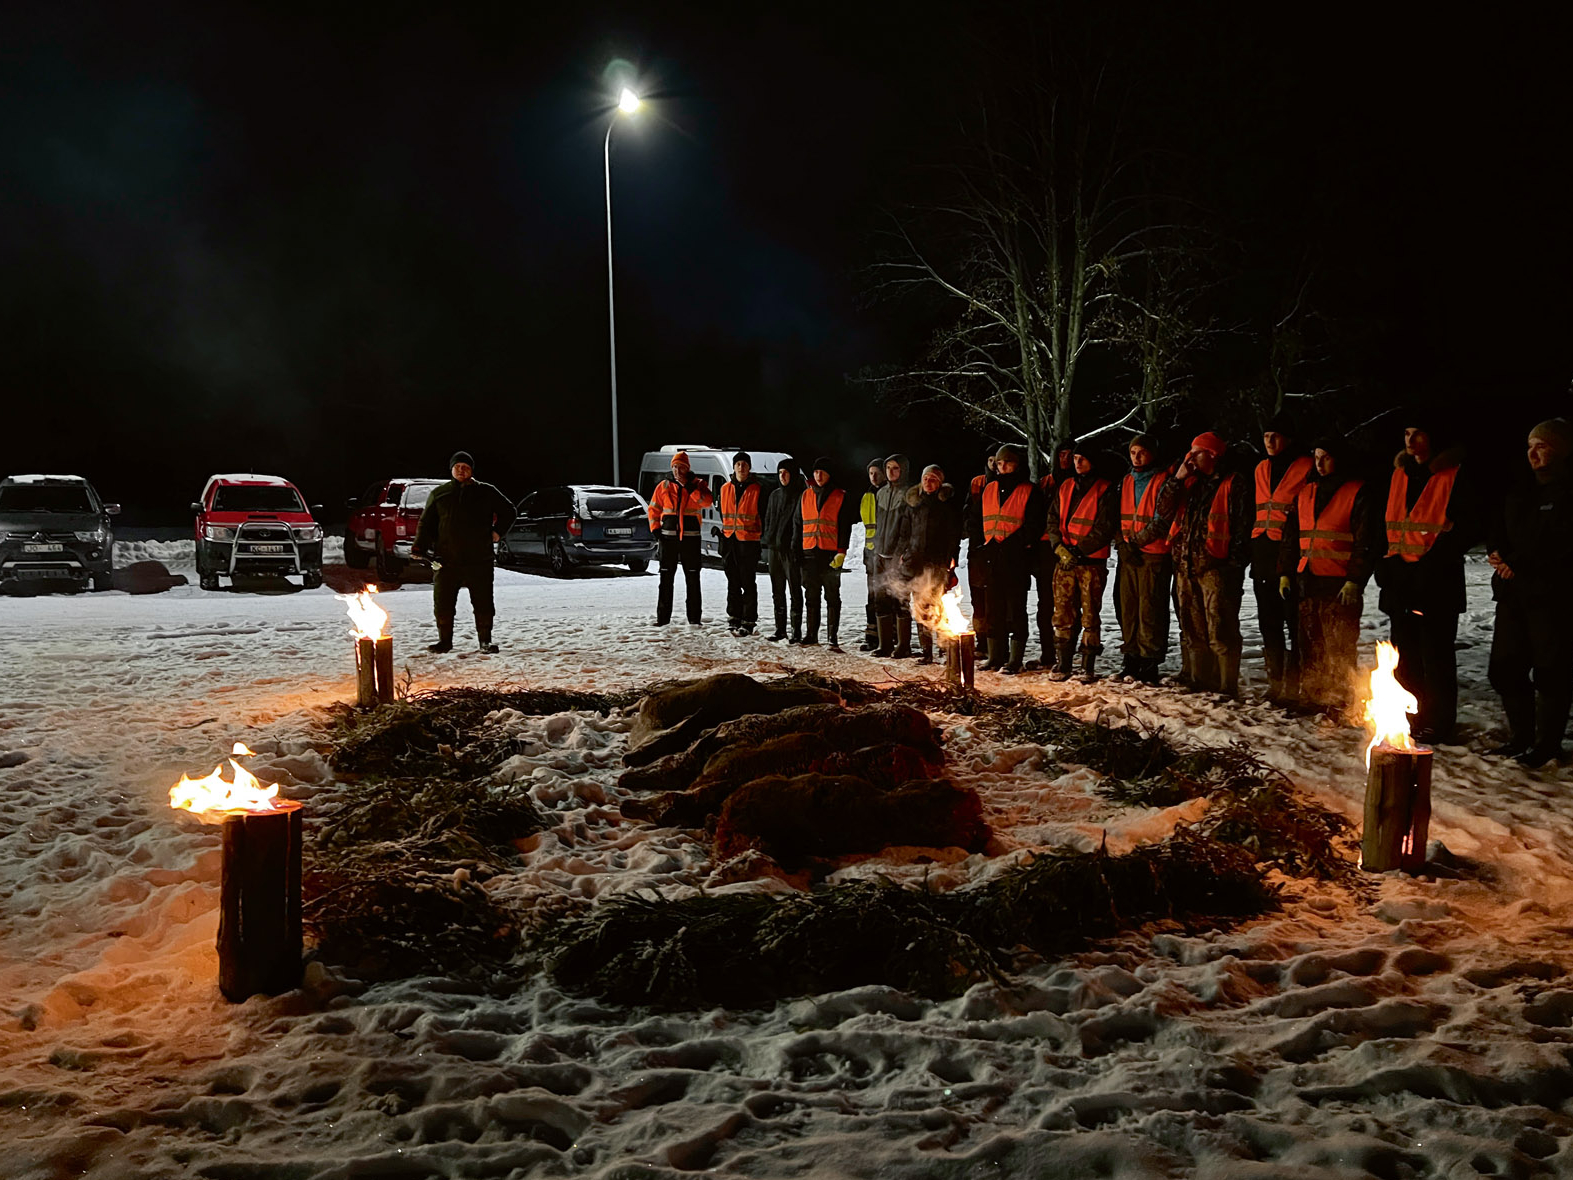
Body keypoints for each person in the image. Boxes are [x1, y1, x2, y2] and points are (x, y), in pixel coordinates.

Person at [1373, 414, 1478, 744]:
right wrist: (1386, 566)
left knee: (1436, 659)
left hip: (1436, 582)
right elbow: (1387, 525)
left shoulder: (1455, 475)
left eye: (1418, 433)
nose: (1411, 439)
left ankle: (1439, 722)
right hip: (1400, 579)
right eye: (1407, 433)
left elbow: (1467, 527)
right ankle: (1410, 717)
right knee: (1405, 659)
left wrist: (1440, 554)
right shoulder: (1399, 474)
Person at [1487, 419, 1573, 767]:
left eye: (1542, 446)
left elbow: (1560, 543)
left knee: (1552, 672)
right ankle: (1520, 735)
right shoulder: (1520, 490)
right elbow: (1499, 528)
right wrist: (1497, 553)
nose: (1533, 453)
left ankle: (1546, 744)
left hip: (1553, 597)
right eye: (1530, 446)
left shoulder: (1567, 493)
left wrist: (1518, 563)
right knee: (1505, 668)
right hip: (1513, 594)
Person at [1277, 437, 1378, 716]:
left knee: (1339, 646)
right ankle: (1311, 696)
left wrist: (1354, 580)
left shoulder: (1358, 492)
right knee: (1309, 643)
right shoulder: (1306, 492)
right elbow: (1291, 537)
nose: (1320, 464)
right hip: (1308, 580)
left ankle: (1340, 702)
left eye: (1326, 458)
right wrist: (1285, 572)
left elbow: (1365, 542)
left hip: (1339, 583)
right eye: (1316, 458)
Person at [1170, 432, 1253, 698]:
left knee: (1221, 627)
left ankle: (1226, 685)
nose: (1191, 458)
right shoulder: (1191, 483)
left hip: (1218, 569)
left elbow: (1242, 526)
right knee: (1192, 627)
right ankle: (1198, 679)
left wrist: (1232, 565)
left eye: (1197, 452)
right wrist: (1177, 480)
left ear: (1213, 454)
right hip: (1186, 566)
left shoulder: (1234, 482)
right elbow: (1163, 509)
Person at [411, 450, 516, 654]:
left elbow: (509, 510)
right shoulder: (440, 494)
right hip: (446, 560)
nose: (461, 470)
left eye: (465, 467)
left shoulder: (486, 491)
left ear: (471, 470)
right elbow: (426, 523)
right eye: (458, 466)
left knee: (483, 602)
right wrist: (419, 546)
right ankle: (444, 641)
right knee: (443, 602)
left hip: (479, 559)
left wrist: (497, 532)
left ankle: (485, 641)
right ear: (451, 469)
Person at [1040, 441, 1118, 680]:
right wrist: (1058, 547)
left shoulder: (1105, 489)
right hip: (1065, 562)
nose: (1077, 463)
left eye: (1082, 459)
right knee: (1062, 612)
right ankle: (1063, 664)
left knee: (1090, 614)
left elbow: (1104, 527)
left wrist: (1076, 552)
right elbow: (1052, 519)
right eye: (1075, 459)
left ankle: (1088, 664)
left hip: (1090, 563)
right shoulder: (1065, 486)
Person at [1251, 415, 1314, 703]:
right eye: (1266, 436)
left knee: (1294, 624)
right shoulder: (1260, 468)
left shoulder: (1306, 467)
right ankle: (1276, 682)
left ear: (1288, 438)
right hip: (1263, 554)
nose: (1270, 442)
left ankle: (1295, 683)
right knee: (1269, 624)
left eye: (1275, 436)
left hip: (1292, 556)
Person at [1114, 433, 1179, 684]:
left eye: (1141, 451)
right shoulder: (1127, 481)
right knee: (1128, 608)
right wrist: (1123, 544)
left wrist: (1135, 543)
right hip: (1130, 554)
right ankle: (1131, 657)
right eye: (1133, 452)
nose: (1137, 457)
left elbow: (1161, 519)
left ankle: (1150, 661)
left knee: (1150, 609)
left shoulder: (1163, 480)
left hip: (1153, 554)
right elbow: (1117, 514)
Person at [978, 443, 1044, 674]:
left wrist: (1014, 544)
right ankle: (995, 656)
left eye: (1007, 462)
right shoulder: (989, 489)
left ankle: (1014, 659)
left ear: (1018, 464)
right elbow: (981, 521)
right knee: (993, 609)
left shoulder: (1030, 490)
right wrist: (984, 546)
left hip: (1017, 558)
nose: (1002, 466)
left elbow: (1034, 526)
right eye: (999, 462)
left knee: (1016, 609)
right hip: (992, 556)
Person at [890, 463, 962, 664]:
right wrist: (902, 555)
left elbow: (953, 536)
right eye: (925, 479)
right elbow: (904, 533)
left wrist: (951, 558)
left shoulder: (946, 506)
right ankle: (926, 651)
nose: (928, 483)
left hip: (936, 562)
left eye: (933, 479)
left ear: (939, 483)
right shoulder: (913, 504)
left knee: (936, 606)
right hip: (914, 561)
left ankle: (946, 647)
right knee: (920, 608)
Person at [792, 457, 859, 650]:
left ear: (829, 475)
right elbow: (798, 525)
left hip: (830, 554)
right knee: (811, 596)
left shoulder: (840, 496)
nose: (819, 476)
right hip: (809, 552)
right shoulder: (805, 495)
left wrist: (841, 551)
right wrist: (796, 549)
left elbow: (845, 526)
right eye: (816, 472)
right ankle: (811, 634)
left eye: (823, 472)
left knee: (832, 596)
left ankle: (832, 636)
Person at [646, 449, 714, 626]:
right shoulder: (664, 486)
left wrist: (690, 488)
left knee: (693, 580)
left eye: (680, 467)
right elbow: (653, 508)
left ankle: (694, 619)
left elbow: (707, 502)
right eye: (674, 467)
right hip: (668, 540)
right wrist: (655, 529)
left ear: (687, 468)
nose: (677, 471)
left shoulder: (698, 484)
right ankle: (663, 619)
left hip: (691, 540)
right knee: (666, 580)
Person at [871, 452, 915, 657]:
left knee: (900, 599)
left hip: (898, 556)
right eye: (888, 468)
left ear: (903, 470)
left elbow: (909, 530)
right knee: (881, 599)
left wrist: (900, 553)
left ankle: (903, 645)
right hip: (880, 553)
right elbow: (879, 525)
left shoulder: (909, 494)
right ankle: (885, 644)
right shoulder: (880, 493)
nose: (891, 472)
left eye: (895, 468)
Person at [719, 451, 765, 636]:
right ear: (734, 467)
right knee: (732, 582)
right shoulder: (725, 489)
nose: (741, 467)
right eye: (738, 464)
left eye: (744, 464)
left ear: (749, 467)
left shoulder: (757, 489)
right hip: (730, 540)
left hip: (749, 542)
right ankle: (734, 617)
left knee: (748, 582)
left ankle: (748, 619)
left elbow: (762, 515)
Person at [761, 458, 805, 643]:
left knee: (795, 591)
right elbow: (769, 519)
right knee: (777, 591)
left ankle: (796, 631)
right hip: (775, 549)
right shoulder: (775, 495)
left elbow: (801, 525)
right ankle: (780, 629)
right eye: (780, 473)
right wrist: (768, 540)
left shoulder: (801, 495)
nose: (783, 476)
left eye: (786, 472)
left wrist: (796, 546)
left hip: (791, 550)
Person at [964, 447, 998, 663]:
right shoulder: (977, 483)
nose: (995, 464)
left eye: (999, 460)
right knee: (978, 600)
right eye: (991, 460)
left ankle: (995, 642)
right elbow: (969, 513)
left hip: (997, 550)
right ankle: (982, 641)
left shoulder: (1009, 486)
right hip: (977, 550)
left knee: (994, 599)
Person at [858, 458, 885, 651]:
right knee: (872, 596)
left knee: (887, 595)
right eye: (870, 473)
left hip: (885, 552)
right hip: (871, 552)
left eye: (877, 472)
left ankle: (888, 635)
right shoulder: (867, 495)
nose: (874, 476)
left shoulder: (887, 494)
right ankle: (872, 635)